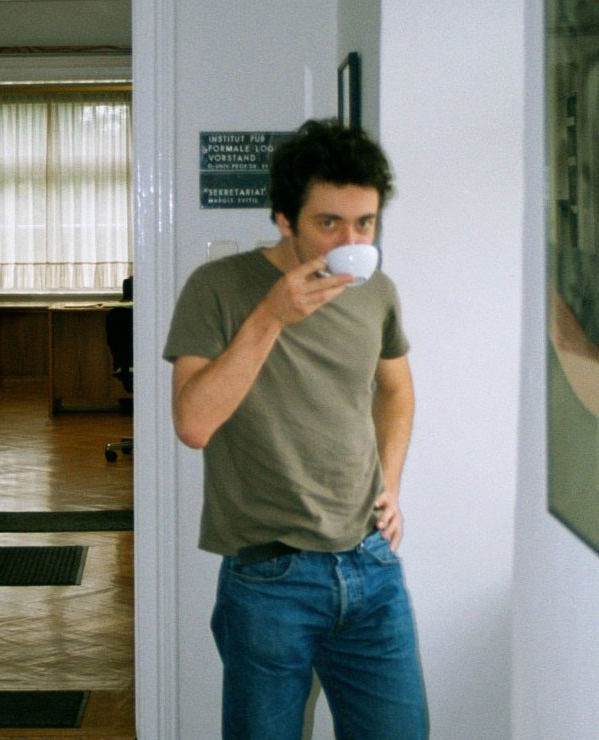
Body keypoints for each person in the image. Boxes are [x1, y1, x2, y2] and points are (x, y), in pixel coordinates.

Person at [164, 119, 427, 740]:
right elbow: (194, 423)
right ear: (284, 218)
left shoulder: (377, 291)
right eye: (328, 223)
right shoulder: (218, 289)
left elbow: (397, 390)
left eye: (365, 223)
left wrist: (390, 483)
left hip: (371, 565)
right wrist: (271, 317)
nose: (351, 239)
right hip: (270, 578)